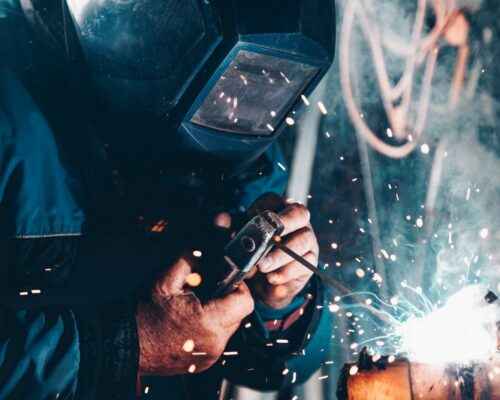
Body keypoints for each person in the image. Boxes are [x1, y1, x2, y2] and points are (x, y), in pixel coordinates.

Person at [0, 0, 336, 398]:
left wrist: (279, 303)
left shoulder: (239, 138)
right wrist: (123, 347)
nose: (239, 104)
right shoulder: (13, 108)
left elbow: (273, 370)